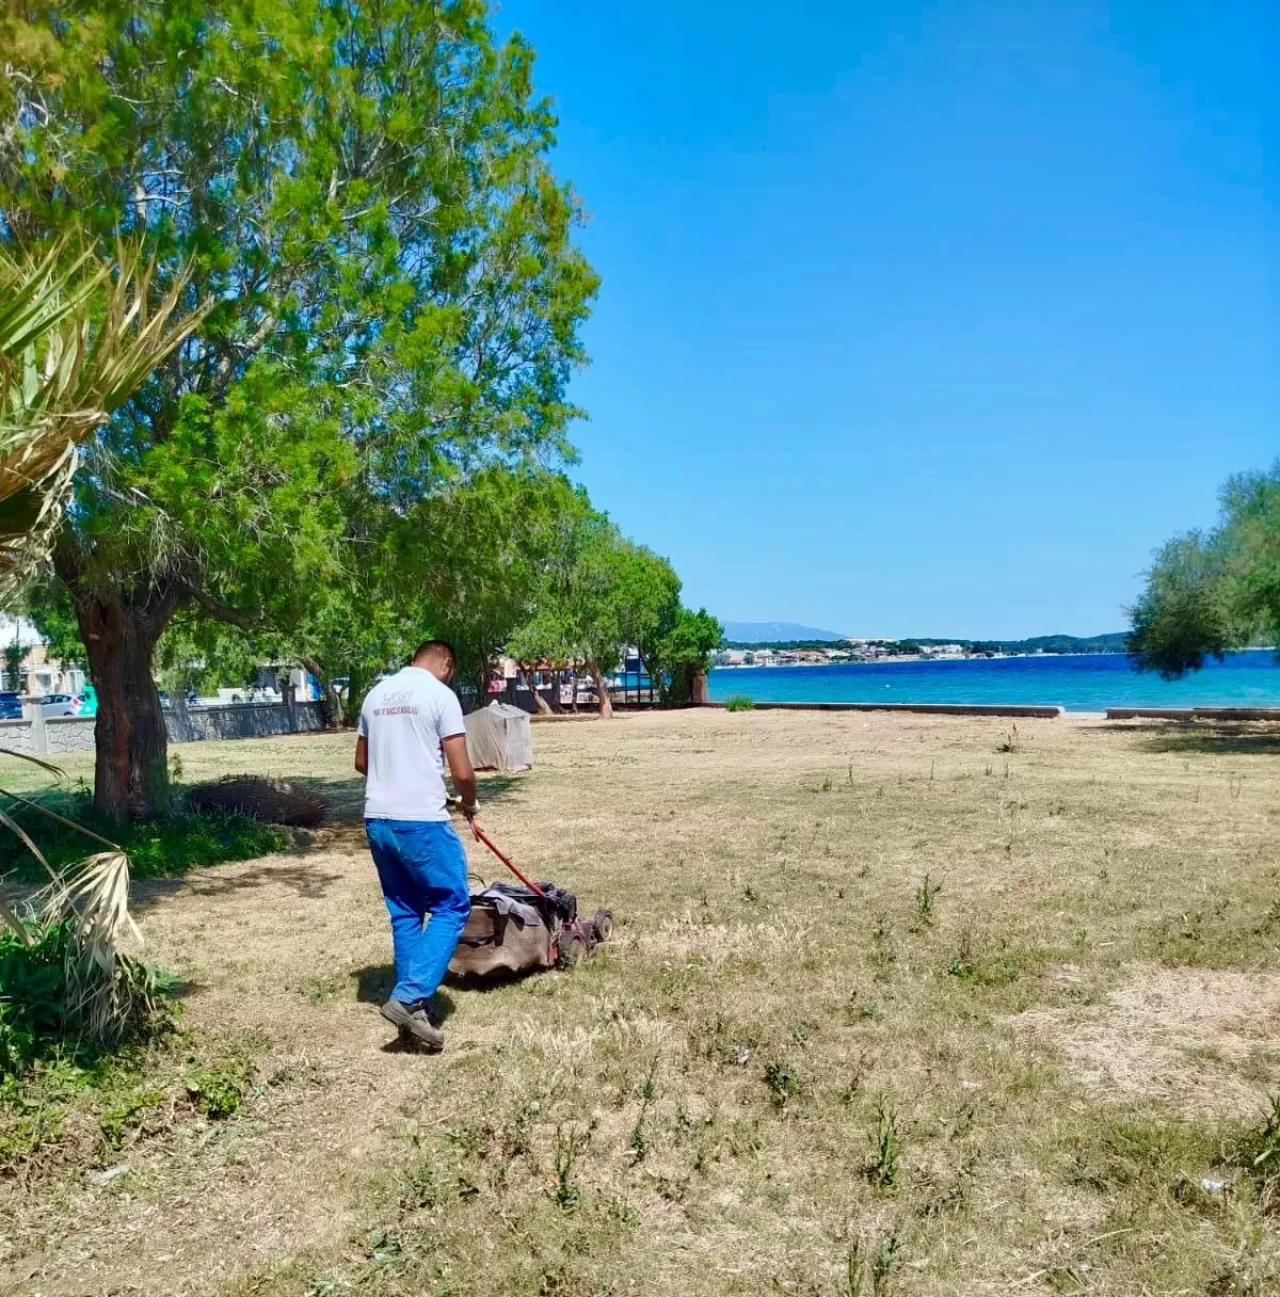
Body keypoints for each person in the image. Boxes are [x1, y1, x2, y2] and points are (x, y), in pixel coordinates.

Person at [354, 639, 478, 1051]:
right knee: (452, 903)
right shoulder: (440, 695)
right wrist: (470, 803)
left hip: (378, 819)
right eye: (452, 670)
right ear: (445, 662)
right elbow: (461, 769)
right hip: (420, 821)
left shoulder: (376, 694)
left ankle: (414, 1010)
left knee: (405, 911)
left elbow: (361, 763)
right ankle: (409, 997)